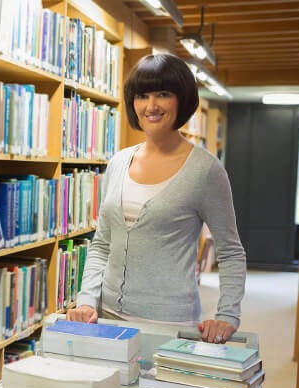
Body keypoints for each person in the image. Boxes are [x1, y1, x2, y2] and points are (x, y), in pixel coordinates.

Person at [67, 53, 246, 344]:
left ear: (182, 99)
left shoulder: (205, 170)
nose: (151, 106)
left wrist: (227, 315)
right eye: (142, 95)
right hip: (106, 317)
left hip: (169, 324)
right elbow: (102, 244)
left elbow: (230, 252)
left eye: (163, 94)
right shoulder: (118, 162)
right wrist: (87, 299)